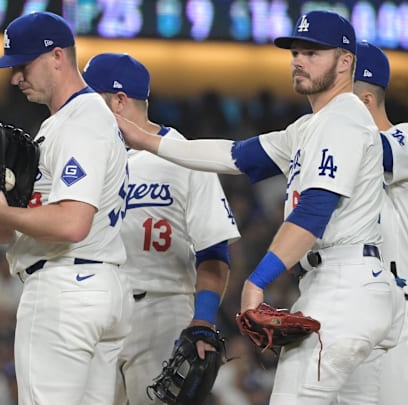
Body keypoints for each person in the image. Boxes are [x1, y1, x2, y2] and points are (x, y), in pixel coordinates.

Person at [115, 10, 404, 404]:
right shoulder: (309, 127)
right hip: (354, 288)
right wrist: (149, 140)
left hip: (344, 286)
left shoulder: (344, 117)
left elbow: (315, 211)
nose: (299, 60)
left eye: (313, 52)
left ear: (346, 61)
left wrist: (257, 281)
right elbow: (234, 155)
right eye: (296, 52)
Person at [0, 11, 133, 405]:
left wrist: (3, 213)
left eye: (22, 65)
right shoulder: (72, 121)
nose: (15, 77)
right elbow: (34, 223)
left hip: (65, 292)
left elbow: (71, 223)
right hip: (96, 286)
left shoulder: (79, 122)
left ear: (56, 56)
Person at [82, 53, 241, 404]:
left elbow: (213, 250)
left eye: (91, 100)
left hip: (162, 309)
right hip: (95, 309)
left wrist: (202, 320)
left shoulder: (183, 156)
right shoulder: (84, 159)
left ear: (119, 101)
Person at [352, 40, 408, 405]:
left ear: (364, 101)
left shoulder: (402, 135)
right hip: (342, 302)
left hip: (397, 306)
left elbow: (377, 153)